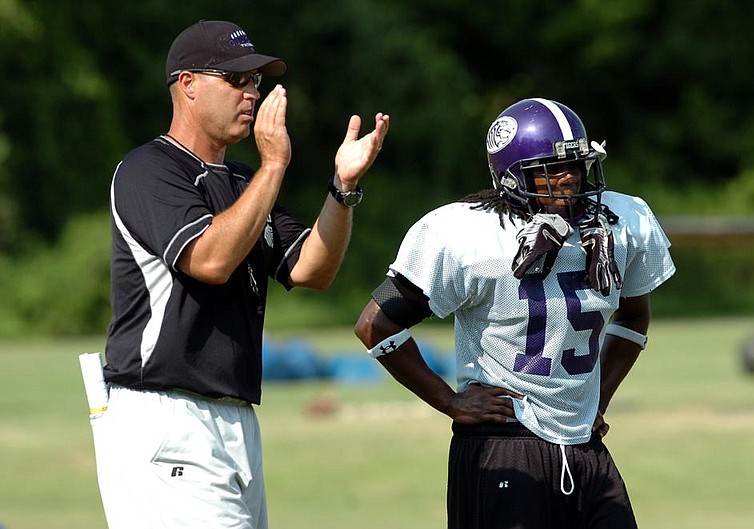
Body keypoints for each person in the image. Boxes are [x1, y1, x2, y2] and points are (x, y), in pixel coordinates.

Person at [91, 19, 389, 529]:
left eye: (255, 81)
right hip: (165, 417)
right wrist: (274, 165)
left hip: (234, 419)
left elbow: (312, 268)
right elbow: (210, 260)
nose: (254, 93)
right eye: (237, 80)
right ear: (187, 84)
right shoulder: (147, 169)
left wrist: (342, 188)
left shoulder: (241, 181)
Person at [354, 97, 674, 528]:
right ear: (512, 178)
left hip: (584, 444)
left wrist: (600, 398)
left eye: (577, 165)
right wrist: (449, 401)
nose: (569, 178)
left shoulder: (621, 222)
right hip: (503, 440)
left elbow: (634, 317)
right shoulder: (465, 233)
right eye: (551, 169)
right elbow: (376, 324)